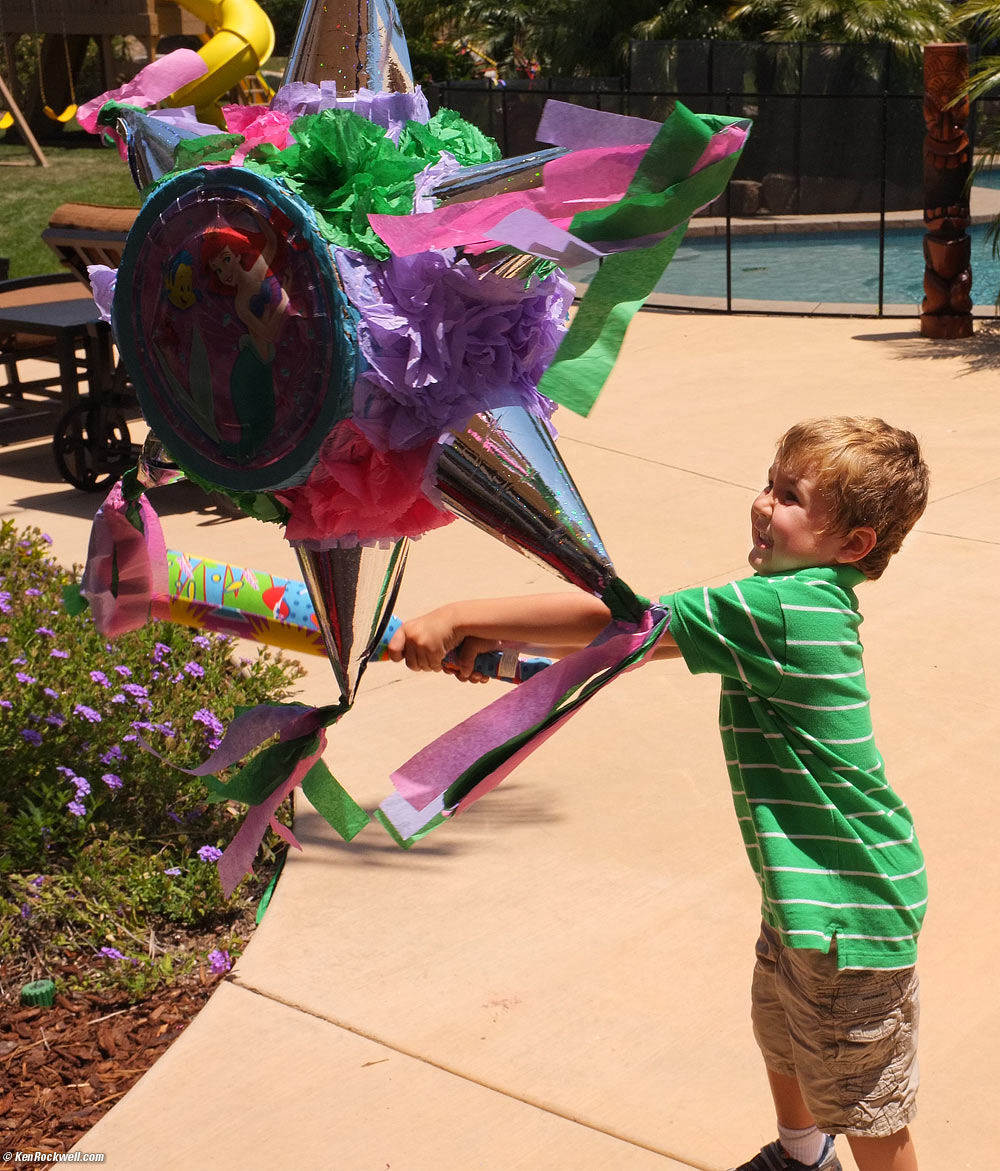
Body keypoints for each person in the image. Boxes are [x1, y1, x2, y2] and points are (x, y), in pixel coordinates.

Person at [388, 416, 930, 1171]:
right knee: (783, 1030)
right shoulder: (796, 602)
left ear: (854, 544)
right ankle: (803, 1158)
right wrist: (506, 652)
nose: (761, 504)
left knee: (864, 1099)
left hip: (848, 910)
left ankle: (820, 1151)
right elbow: (639, 646)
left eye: (788, 496)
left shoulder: (782, 608)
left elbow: (627, 621)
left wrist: (457, 616)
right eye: (769, 484)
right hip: (812, 894)